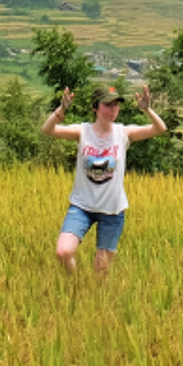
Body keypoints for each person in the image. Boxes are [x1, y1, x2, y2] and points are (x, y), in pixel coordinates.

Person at [40, 83, 167, 274]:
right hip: (82, 206)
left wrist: (147, 109)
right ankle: (75, 286)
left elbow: (160, 128)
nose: (113, 109)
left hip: (112, 211)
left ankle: (94, 299)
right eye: (108, 105)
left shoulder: (123, 133)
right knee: (63, 252)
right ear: (95, 107)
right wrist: (62, 109)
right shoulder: (83, 131)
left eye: (116, 105)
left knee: (101, 271)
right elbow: (48, 129)